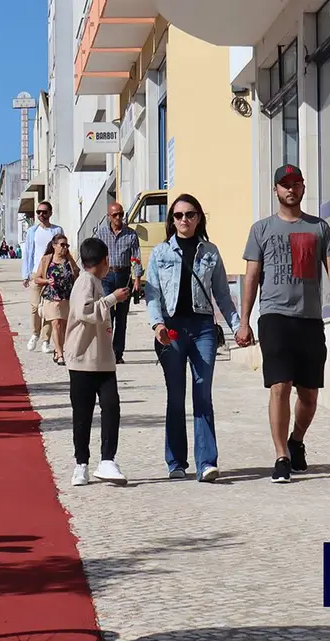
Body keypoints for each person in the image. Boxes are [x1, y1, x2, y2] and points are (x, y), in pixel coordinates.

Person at [235, 164, 330, 484]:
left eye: (296, 184)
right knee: (280, 386)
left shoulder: (318, 228)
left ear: (303, 187)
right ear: (276, 190)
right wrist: (244, 322)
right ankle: (281, 455)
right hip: (274, 317)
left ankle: (297, 439)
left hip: (310, 319)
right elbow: (252, 277)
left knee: (309, 395)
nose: (290, 189)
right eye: (285, 185)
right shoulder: (261, 229)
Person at [144, 194, 242, 483]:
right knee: (176, 395)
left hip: (202, 329)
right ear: (171, 220)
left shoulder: (210, 251)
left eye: (190, 214)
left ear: (199, 218)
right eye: (178, 215)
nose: (184, 220)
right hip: (171, 329)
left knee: (202, 393)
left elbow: (223, 294)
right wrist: (157, 325)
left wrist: (237, 325)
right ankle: (175, 461)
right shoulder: (161, 253)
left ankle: (207, 462)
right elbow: (153, 294)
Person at [65, 237, 130, 486]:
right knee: (82, 414)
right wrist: (112, 299)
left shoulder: (97, 282)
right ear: (105, 261)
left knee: (111, 407)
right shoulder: (85, 281)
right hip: (83, 360)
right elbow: (85, 311)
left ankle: (107, 460)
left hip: (103, 359)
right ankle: (81, 463)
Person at [94, 201, 142, 364]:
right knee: (107, 314)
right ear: (109, 216)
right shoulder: (101, 234)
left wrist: (137, 279)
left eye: (121, 214)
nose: (118, 217)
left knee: (122, 316)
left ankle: (118, 353)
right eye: (115, 215)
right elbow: (95, 255)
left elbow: (136, 257)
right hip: (107, 277)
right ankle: (105, 351)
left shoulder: (131, 234)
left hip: (123, 276)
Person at [21, 201, 64, 354]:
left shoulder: (57, 230)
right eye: (38, 212)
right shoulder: (32, 231)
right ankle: (35, 333)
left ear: (50, 213)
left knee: (48, 308)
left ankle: (45, 340)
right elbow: (28, 253)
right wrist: (25, 275)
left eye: (44, 212)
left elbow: (62, 250)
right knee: (34, 306)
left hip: (52, 273)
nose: (41, 215)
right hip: (36, 272)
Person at [33, 232, 79, 366]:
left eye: (67, 245)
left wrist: (70, 258)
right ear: (54, 246)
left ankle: (58, 350)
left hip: (66, 296)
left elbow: (76, 273)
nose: (64, 248)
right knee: (56, 324)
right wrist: (47, 281)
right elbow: (37, 278)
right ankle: (60, 354)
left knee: (63, 326)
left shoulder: (69, 260)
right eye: (62, 245)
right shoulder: (47, 259)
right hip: (51, 296)